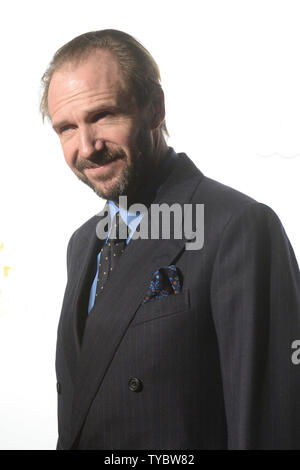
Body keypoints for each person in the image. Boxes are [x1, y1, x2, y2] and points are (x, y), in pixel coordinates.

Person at [41, 29, 300, 450]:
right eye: (66, 128)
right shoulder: (82, 243)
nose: (86, 147)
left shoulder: (238, 226)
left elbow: (271, 420)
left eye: (103, 115)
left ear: (155, 108)